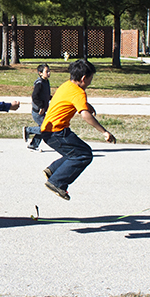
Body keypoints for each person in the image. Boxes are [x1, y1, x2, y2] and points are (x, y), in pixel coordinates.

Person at [38, 59, 116, 200]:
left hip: (48, 130)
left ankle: (53, 171)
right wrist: (104, 131)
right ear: (83, 78)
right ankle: (57, 182)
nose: (90, 83)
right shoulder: (79, 92)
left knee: (76, 152)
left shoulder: (66, 85)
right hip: (57, 132)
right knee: (84, 154)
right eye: (90, 79)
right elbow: (85, 115)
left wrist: (86, 104)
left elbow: (69, 100)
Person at [23, 63, 52, 151]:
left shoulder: (46, 82)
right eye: (47, 71)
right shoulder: (39, 83)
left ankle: (33, 145)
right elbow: (35, 97)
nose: (49, 73)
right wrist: (41, 106)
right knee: (45, 128)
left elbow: (45, 95)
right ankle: (28, 130)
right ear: (40, 73)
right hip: (38, 111)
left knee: (43, 127)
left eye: (49, 71)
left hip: (43, 109)